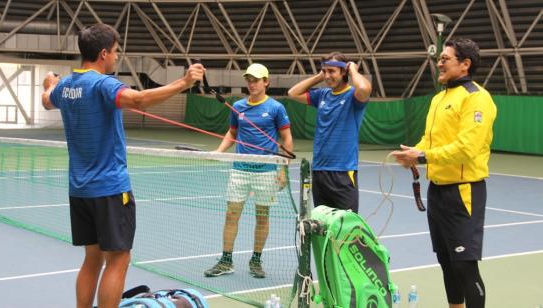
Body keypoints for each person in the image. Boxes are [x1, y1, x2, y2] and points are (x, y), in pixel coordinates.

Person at [41, 23, 204, 308]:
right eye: (116, 52)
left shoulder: (65, 86)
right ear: (103, 53)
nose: (116, 57)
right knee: (119, 260)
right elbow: (139, 100)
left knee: (92, 259)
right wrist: (185, 82)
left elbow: (46, 100)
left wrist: (49, 84)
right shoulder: (104, 84)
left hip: (79, 190)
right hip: (109, 189)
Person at [392, 38, 496, 308]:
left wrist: (423, 156)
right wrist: (414, 153)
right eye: (439, 58)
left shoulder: (477, 98)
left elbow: (467, 148)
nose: (439, 62)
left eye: (445, 58)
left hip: (464, 192)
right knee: (447, 263)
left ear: (465, 65)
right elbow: (430, 140)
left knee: (464, 266)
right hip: (437, 191)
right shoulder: (439, 98)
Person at [203, 63, 293, 279]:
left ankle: (256, 260)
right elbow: (232, 133)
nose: (252, 84)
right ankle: (226, 261)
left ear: (266, 82)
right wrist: (219, 151)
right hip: (240, 169)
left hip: (266, 171)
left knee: (262, 217)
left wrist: (283, 170)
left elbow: (287, 138)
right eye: (249, 80)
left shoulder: (275, 108)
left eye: (256, 80)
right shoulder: (238, 106)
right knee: (231, 215)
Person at [287, 51, 372, 212]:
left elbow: (364, 87)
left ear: (344, 72)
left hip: (343, 172)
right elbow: (293, 93)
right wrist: (319, 76)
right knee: (324, 225)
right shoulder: (322, 95)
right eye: (325, 71)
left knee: (346, 228)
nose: (327, 76)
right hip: (319, 170)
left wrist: (353, 69)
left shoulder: (353, 96)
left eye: (332, 71)